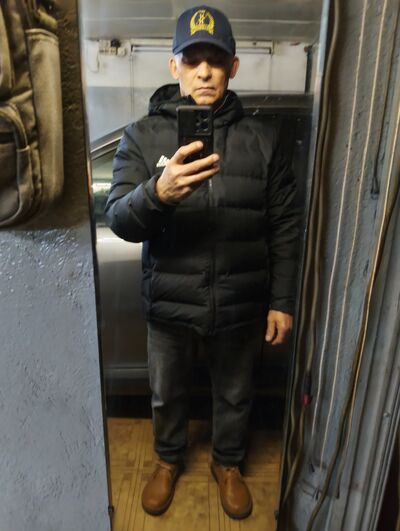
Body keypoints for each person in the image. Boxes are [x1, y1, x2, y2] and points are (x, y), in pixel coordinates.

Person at [105, 5, 298, 520]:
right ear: (175, 66)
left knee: (235, 393)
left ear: (233, 66)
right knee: (166, 393)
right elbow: (119, 217)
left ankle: (228, 463)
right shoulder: (142, 136)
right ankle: (167, 460)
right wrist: (158, 193)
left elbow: (285, 224)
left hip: (240, 301)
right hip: (169, 299)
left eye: (216, 60)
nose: (205, 72)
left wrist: (281, 301)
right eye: (193, 60)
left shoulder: (263, 141)